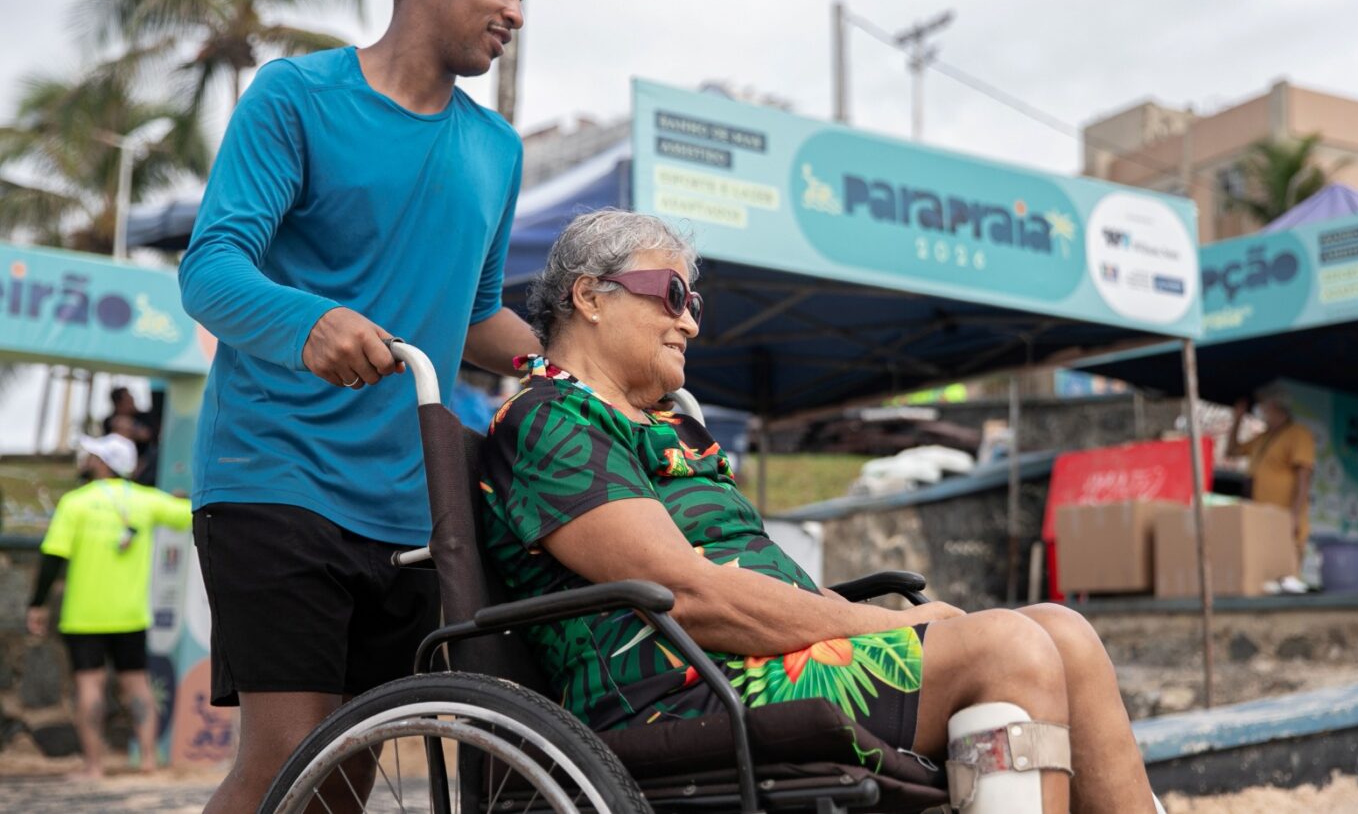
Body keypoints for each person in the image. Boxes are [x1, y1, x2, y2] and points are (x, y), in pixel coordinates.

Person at [481, 210, 1161, 814]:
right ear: (589, 296)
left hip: (756, 659)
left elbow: (750, 585)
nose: (690, 320)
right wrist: (890, 622)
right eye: (674, 294)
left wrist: (868, 623)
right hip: (679, 686)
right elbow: (690, 594)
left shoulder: (669, 426)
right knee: (1008, 646)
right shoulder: (552, 420)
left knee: (1062, 630)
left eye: (695, 302)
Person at [176, 0, 540, 811]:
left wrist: (573, 354)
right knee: (289, 758)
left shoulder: (496, 148)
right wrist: (309, 323)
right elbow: (211, 267)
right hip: (272, 472)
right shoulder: (297, 97)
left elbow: (478, 313)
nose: (516, 13)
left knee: (347, 777)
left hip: (410, 507)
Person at [26, 433, 192, 780]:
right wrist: (183, 497)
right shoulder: (147, 501)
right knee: (138, 685)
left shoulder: (76, 502)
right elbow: (189, 513)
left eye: (93, 456)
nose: (88, 460)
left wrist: (37, 604)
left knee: (89, 687)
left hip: (83, 616)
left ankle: (94, 766)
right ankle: (148, 761)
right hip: (131, 614)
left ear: (103, 464)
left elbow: (54, 556)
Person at [1228, 387, 1316, 559]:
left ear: (1275, 406)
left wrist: (1294, 517)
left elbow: (1303, 478)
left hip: (1283, 523)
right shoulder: (1263, 437)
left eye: (1263, 406)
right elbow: (1231, 451)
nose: (1261, 411)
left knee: (1283, 579)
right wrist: (1237, 419)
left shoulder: (1298, 433)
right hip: (1259, 522)